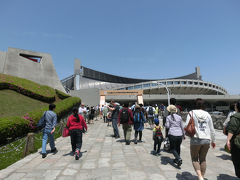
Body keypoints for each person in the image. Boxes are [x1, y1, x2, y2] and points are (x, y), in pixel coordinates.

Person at [185, 98, 216, 180]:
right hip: (206, 140)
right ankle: (202, 176)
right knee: (203, 159)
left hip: (195, 139)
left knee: (195, 159)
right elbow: (212, 129)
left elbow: (186, 126)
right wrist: (213, 141)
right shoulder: (208, 114)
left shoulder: (191, 113)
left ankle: (200, 177)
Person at [226, 101, 240, 178]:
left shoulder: (236, 117)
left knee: (237, 161)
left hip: (237, 142)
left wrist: (228, 140)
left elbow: (231, 129)